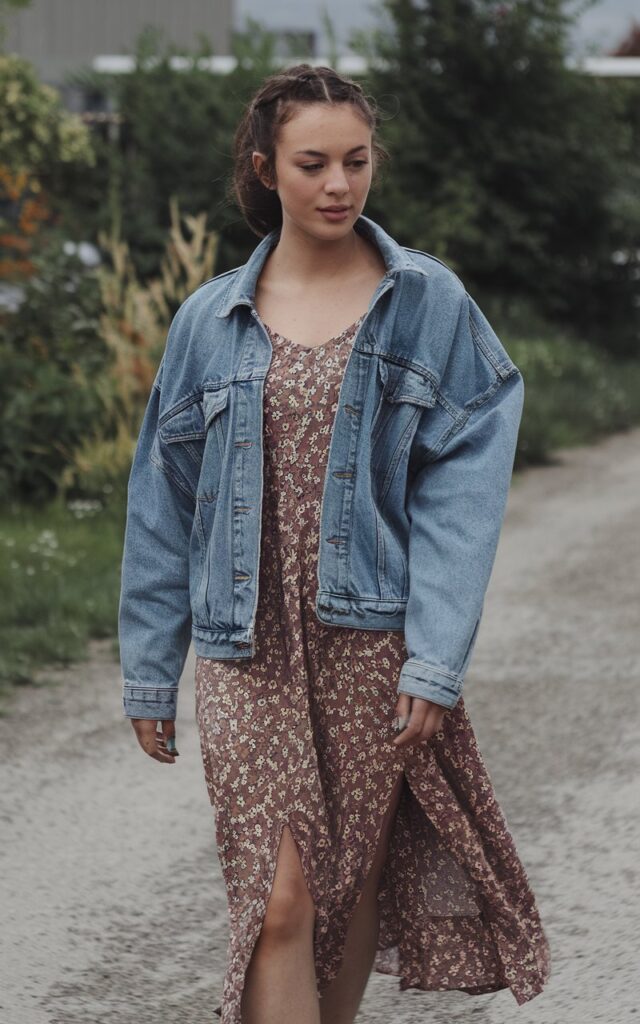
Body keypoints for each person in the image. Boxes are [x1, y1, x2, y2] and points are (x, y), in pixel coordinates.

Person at [118, 63, 551, 1024]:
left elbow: (462, 495)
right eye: (312, 164)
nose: (338, 184)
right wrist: (150, 669)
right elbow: (162, 504)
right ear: (265, 169)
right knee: (281, 899)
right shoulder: (208, 321)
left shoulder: (427, 301)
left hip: (370, 642)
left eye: (356, 161)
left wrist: (435, 656)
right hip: (245, 649)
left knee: (345, 884)